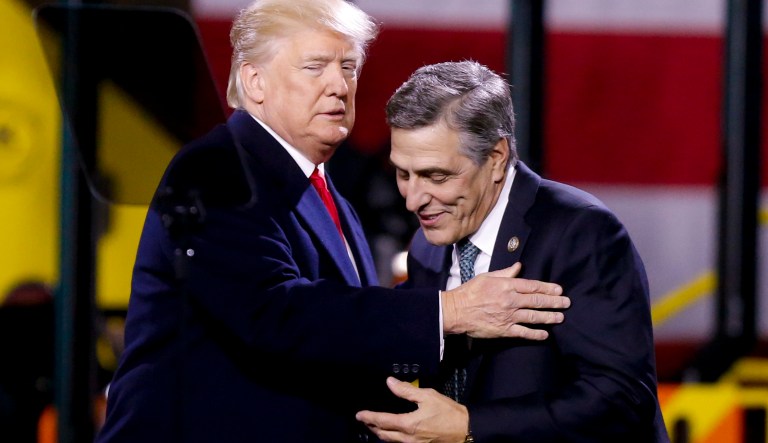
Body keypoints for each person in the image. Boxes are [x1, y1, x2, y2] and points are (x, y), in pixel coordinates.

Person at [96, 3, 572, 443]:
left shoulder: (328, 194)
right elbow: (273, 314)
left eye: (348, 67)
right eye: (315, 66)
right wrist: (447, 312)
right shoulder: (218, 169)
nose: (339, 86)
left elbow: (341, 341)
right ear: (254, 81)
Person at [356, 61, 670, 442]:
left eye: (436, 176)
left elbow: (622, 399)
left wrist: (471, 426)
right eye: (403, 174)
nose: (413, 200)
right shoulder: (427, 244)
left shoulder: (580, 232)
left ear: (496, 159)